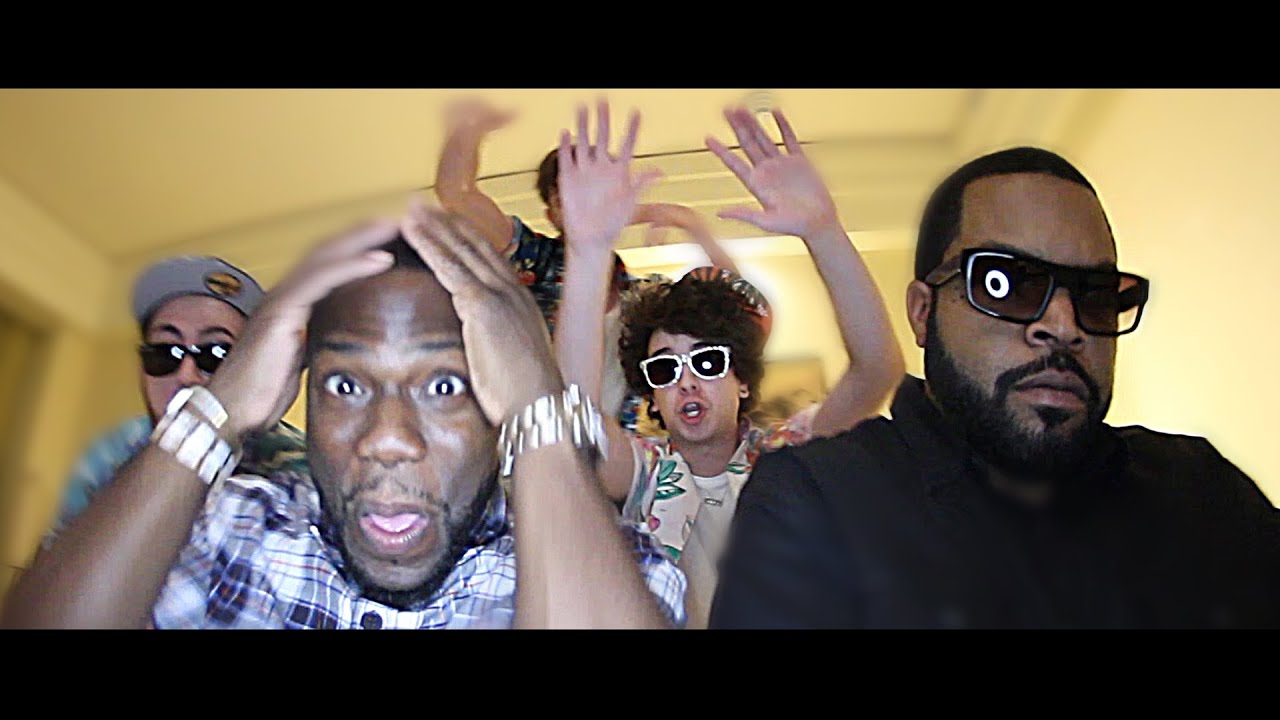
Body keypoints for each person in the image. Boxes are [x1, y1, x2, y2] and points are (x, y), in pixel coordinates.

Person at [3, 204, 685, 629]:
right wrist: (215, 413)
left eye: (445, 385)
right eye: (347, 385)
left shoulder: (619, 568)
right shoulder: (225, 529)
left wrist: (540, 411)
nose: (386, 438)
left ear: (502, 399)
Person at [709, 146, 1280, 628]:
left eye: (1096, 294)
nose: (1064, 325)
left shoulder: (1203, 490)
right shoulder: (820, 500)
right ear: (924, 312)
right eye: (1004, 283)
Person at [554, 101, 904, 628]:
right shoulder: (646, 471)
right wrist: (587, 252)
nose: (687, 381)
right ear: (653, 398)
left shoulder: (787, 455)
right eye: (665, 370)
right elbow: (573, 425)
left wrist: (824, 230)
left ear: (742, 382)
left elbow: (876, 370)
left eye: (708, 361)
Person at [435, 98, 735, 431]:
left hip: (617, 449)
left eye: (602, 191)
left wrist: (687, 220)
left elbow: (738, 303)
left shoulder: (643, 300)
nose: (589, 203)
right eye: (568, 196)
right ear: (553, 215)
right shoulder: (535, 261)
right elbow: (455, 193)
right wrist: (469, 127)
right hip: (536, 442)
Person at [42, 256, 305, 552]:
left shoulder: (296, 464)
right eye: (165, 352)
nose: (186, 375)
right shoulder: (112, 454)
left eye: (216, 354)